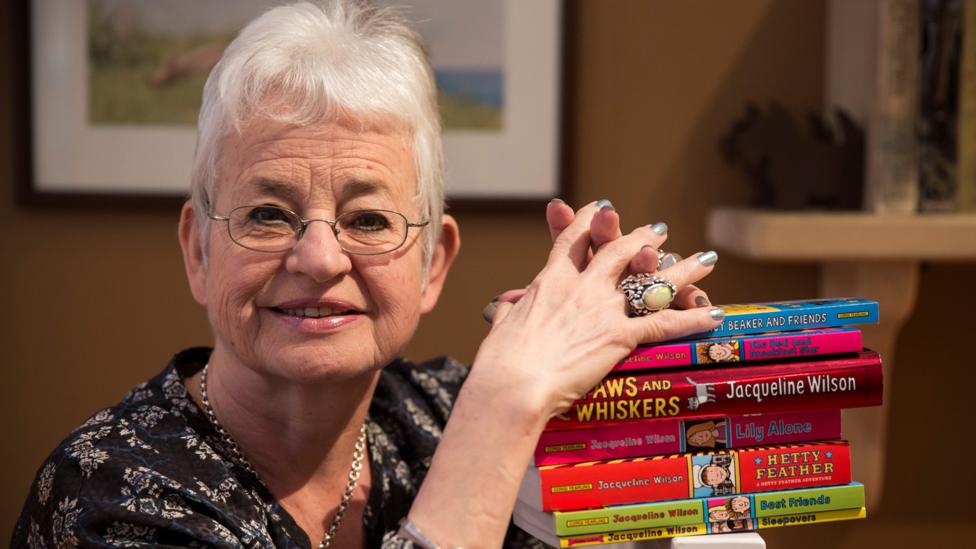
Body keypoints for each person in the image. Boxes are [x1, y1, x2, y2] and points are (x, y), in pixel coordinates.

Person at [12, 2, 723, 547]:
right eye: (268, 214)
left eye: (370, 220)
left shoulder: (447, 410)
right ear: (198, 250)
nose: (321, 259)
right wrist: (506, 402)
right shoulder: (108, 493)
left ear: (433, 262)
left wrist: (646, 380)